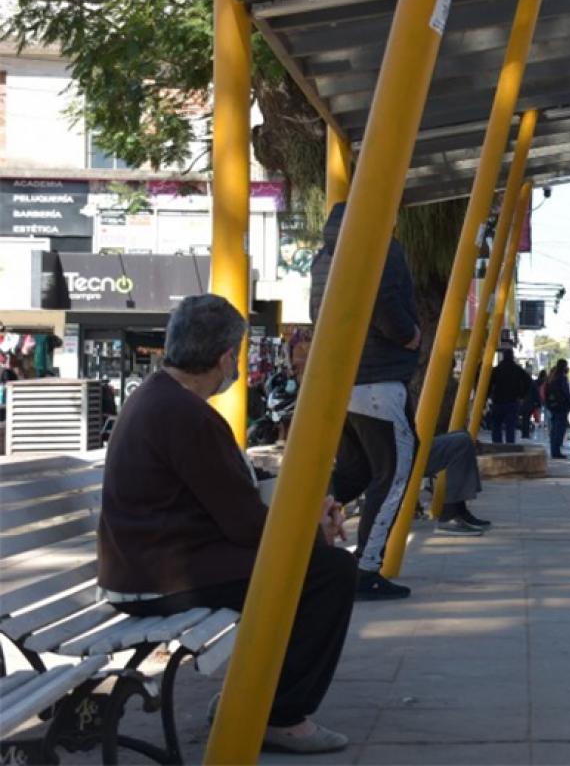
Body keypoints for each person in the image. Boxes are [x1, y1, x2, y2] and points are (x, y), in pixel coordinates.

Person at [97, 294, 355, 754]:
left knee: (311, 563)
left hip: (148, 565)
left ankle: (255, 698)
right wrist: (314, 534)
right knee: (329, 573)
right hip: (159, 578)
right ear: (222, 358)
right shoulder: (185, 415)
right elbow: (245, 525)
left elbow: (235, 487)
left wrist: (310, 508)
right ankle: (280, 715)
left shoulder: (161, 399)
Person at [311, 202, 419, 601]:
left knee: (354, 473)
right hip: (380, 379)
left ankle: (304, 541)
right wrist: (408, 334)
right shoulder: (378, 246)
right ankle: (366, 568)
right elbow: (384, 300)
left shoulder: (323, 257)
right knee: (393, 474)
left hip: (342, 380)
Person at [424, 430, 491, 535]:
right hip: (402, 452)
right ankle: (449, 514)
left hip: (404, 446)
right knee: (461, 442)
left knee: (463, 435)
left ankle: (458, 509)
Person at [488, 347, 530, 443]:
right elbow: (528, 382)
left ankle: (497, 446)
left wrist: (488, 395)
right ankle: (509, 447)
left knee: (496, 425)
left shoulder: (497, 369)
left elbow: (489, 384)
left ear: (503, 356)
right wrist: (522, 395)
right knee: (510, 427)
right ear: (512, 356)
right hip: (512, 401)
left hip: (498, 401)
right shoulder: (517, 369)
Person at [544, 358, 570, 459]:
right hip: (561, 407)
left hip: (553, 406)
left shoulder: (552, 377)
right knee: (559, 429)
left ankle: (554, 450)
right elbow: (565, 393)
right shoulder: (562, 378)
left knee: (554, 429)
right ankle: (556, 451)